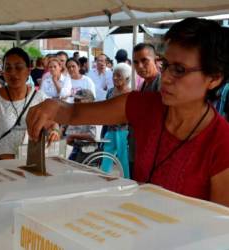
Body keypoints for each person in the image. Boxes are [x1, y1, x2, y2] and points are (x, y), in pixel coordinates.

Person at [27, 18, 229, 207]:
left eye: (179, 70)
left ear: (214, 78)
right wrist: (50, 107)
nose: (166, 77)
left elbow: (219, 227)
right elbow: (74, 113)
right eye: (165, 65)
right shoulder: (145, 105)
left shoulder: (221, 143)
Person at [0, 47, 59, 162]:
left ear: (28, 71)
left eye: (19, 67)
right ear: (3, 71)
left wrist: (54, 131)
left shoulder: (40, 98)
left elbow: (52, 124)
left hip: (31, 167)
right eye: (8, 68)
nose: (13, 73)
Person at [100, 63, 131, 178]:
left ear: (127, 78)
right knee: (106, 156)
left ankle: (127, 181)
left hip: (124, 131)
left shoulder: (130, 94)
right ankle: (103, 178)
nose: (115, 78)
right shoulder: (110, 92)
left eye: (119, 76)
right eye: (114, 75)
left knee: (124, 159)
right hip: (110, 130)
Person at [65, 89, 96, 163]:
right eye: (75, 100)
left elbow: (91, 135)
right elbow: (63, 127)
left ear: (88, 102)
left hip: (82, 147)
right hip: (68, 144)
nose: (75, 102)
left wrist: (72, 136)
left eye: (78, 100)